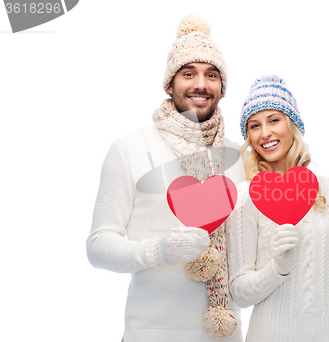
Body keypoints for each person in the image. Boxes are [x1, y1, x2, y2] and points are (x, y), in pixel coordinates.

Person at [86, 14, 244, 342]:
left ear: (222, 88)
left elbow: (257, 248)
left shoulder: (238, 157)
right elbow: (98, 246)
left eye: (211, 75)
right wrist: (158, 251)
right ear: (169, 84)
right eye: (189, 73)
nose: (201, 84)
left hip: (225, 336)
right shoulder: (129, 148)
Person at [226, 75, 329, 341]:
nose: (265, 133)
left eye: (274, 120)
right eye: (254, 125)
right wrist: (277, 268)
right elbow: (239, 292)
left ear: (292, 125)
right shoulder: (247, 196)